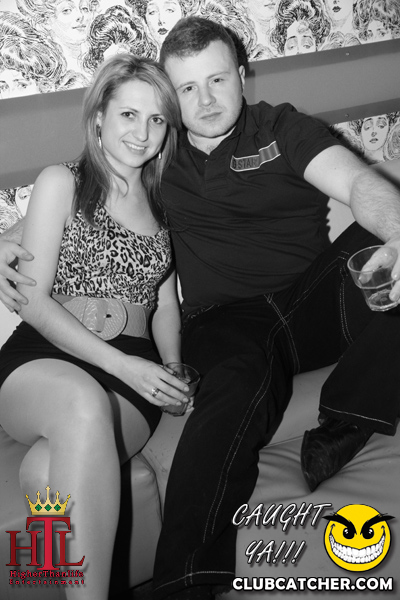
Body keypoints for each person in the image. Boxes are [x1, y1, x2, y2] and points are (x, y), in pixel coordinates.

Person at [1, 15, 400, 600]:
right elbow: (74, 197)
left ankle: (348, 419)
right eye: (186, 88)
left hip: (306, 304)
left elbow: (360, 185)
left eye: (217, 80)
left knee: (384, 247)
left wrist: (398, 231)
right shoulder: (147, 163)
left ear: (241, 74)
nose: (205, 101)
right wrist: (5, 239)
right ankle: (183, 582)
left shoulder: (275, 132)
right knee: (218, 386)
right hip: (215, 324)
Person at [0, 53, 188, 600]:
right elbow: (32, 303)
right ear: (99, 115)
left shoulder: (164, 203)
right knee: (82, 401)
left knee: (43, 473)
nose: (142, 133)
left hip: (132, 377)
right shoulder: (62, 181)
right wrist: (126, 366)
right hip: (42, 355)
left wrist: (172, 368)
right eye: (129, 114)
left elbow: (165, 305)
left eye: (156, 120)